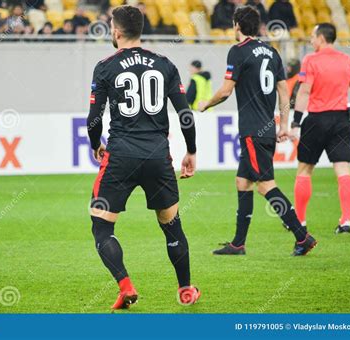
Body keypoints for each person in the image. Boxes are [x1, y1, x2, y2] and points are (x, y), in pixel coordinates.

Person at [87, 5, 200, 310]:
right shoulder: (164, 64)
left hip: (120, 154)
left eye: (112, 26)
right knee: (172, 225)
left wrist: (96, 144)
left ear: (117, 31)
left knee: (101, 226)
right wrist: (191, 150)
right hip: (157, 155)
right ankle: (186, 290)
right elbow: (185, 114)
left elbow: (94, 119)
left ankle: (125, 286)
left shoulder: (105, 66)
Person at [200, 6, 317, 256]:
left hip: (253, 131)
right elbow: (284, 92)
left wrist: (205, 103)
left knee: (265, 185)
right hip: (266, 128)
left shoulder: (238, 51)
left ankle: (302, 236)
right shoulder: (273, 53)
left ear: (237, 26)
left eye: (233, 24)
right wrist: (283, 125)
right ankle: (238, 244)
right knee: (243, 182)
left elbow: (226, 90)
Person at [289, 23, 350, 234]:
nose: (310, 40)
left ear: (321, 38)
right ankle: (346, 221)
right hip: (340, 119)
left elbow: (304, 92)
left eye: (312, 36)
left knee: (304, 170)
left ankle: (301, 222)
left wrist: (295, 122)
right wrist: (349, 116)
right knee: (343, 170)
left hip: (316, 119)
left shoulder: (310, 60)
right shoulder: (348, 61)